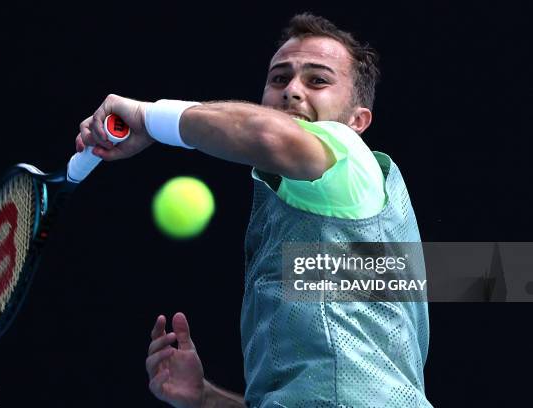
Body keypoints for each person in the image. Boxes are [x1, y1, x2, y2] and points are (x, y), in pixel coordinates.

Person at [76, 13, 431, 408]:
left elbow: (266, 134)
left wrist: (147, 117)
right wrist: (205, 399)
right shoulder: (310, 215)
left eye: (318, 80)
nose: (292, 91)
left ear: (356, 121)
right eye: (279, 79)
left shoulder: (348, 158)